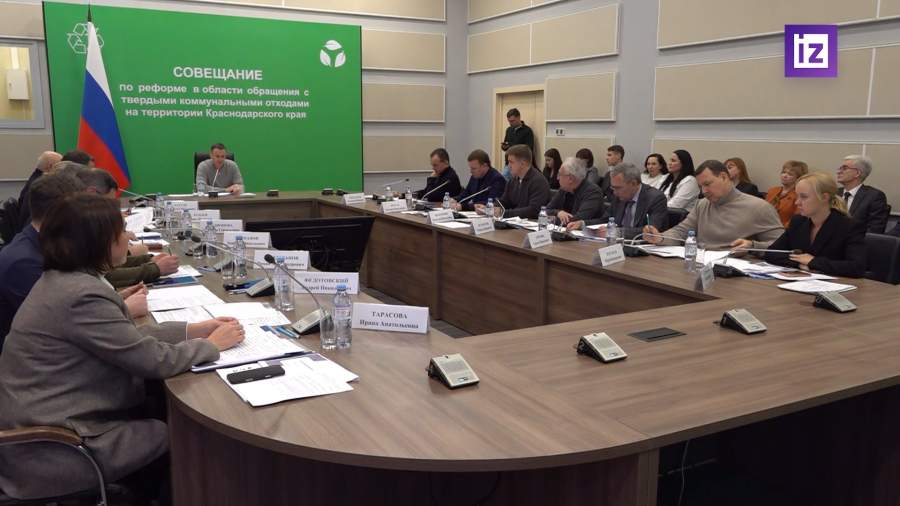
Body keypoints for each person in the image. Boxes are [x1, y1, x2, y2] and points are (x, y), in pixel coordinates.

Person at [0, 193, 245, 502]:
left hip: (50, 422)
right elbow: (153, 361)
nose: (129, 237)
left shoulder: (65, 280)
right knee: (181, 431)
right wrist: (211, 346)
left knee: (161, 407)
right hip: (53, 449)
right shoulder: (81, 294)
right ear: (98, 242)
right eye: (122, 231)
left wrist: (192, 330)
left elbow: (127, 338)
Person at [0, 173, 85, 344]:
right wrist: (125, 307)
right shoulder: (24, 263)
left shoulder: (42, 242)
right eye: (81, 210)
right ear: (60, 213)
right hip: (36, 353)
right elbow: (60, 321)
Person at [72, 169, 180, 287]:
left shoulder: (75, 215)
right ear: (91, 192)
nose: (127, 236)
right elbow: (106, 274)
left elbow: (101, 265)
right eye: (109, 202)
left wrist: (147, 260)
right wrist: (154, 269)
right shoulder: (77, 223)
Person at [644, 159, 783, 251]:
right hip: (700, 265)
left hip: (735, 274)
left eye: (707, 184)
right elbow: (681, 232)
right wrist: (660, 237)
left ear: (723, 177)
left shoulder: (759, 207)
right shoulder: (702, 204)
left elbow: (781, 248)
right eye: (701, 186)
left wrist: (752, 246)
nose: (704, 191)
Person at [764, 172, 866, 278]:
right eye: (797, 196)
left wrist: (813, 262)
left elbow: (856, 267)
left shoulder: (848, 226)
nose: (797, 202)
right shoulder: (798, 221)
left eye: (803, 197)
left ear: (824, 197)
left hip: (836, 285)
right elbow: (772, 253)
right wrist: (800, 264)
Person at [568, 162, 668, 239]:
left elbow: (651, 231)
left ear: (633, 183)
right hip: (616, 245)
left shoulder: (655, 198)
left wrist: (618, 232)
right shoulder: (619, 196)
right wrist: (583, 224)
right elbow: (606, 220)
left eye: (618, 188)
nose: (614, 193)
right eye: (613, 188)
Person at [475, 144, 549, 219]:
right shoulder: (513, 180)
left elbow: (533, 211)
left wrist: (502, 213)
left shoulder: (539, 181)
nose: (508, 166)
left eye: (511, 162)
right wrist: (488, 208)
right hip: (515, 222)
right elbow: (504, 202)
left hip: (531, 223)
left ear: (523, 163)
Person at [836, 155, 889, 234]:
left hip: (856, 240)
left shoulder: (874, 197)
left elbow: (874, 231)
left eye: (844, 168)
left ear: (857, 173)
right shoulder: (834, 193)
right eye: (840, 168)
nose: (838, 172)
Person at [545, 157, 604, 226]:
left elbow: (577, 220)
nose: (557, 178)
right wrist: (558, 212)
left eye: (560, 174)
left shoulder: (593, 192)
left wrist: (551, 219)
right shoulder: (564, 189)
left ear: (570, 179)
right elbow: (546, 210)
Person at [16, 151, 62, 232]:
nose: (62, 170)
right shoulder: (43, 186)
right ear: (50, 167)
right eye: (60, 166)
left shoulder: (35, 179)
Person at [765, 160, 808, 227]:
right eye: (783, 172)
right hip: (763, 225)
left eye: (790, 174)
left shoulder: (798, 196)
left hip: (782, 229)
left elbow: (796, 220)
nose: (785, 176)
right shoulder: (772, 190)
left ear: (798, 178)